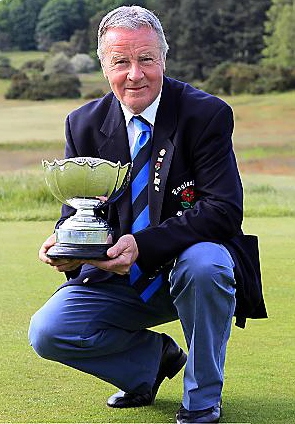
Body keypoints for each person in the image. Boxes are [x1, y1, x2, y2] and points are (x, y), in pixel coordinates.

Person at [28, 5, 267, 423]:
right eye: (121, 61)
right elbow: (78, 210)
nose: (134, 74)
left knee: (206, 262)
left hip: (189, 269)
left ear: (163, 58)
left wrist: (141, 245)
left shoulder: (205, 114)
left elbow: (224, 209)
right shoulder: (82, 124)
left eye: (146, 59)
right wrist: (66, 243)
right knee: (48, 332)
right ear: (104, 66)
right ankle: (152, 364)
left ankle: (202, 398)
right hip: (117, 276)